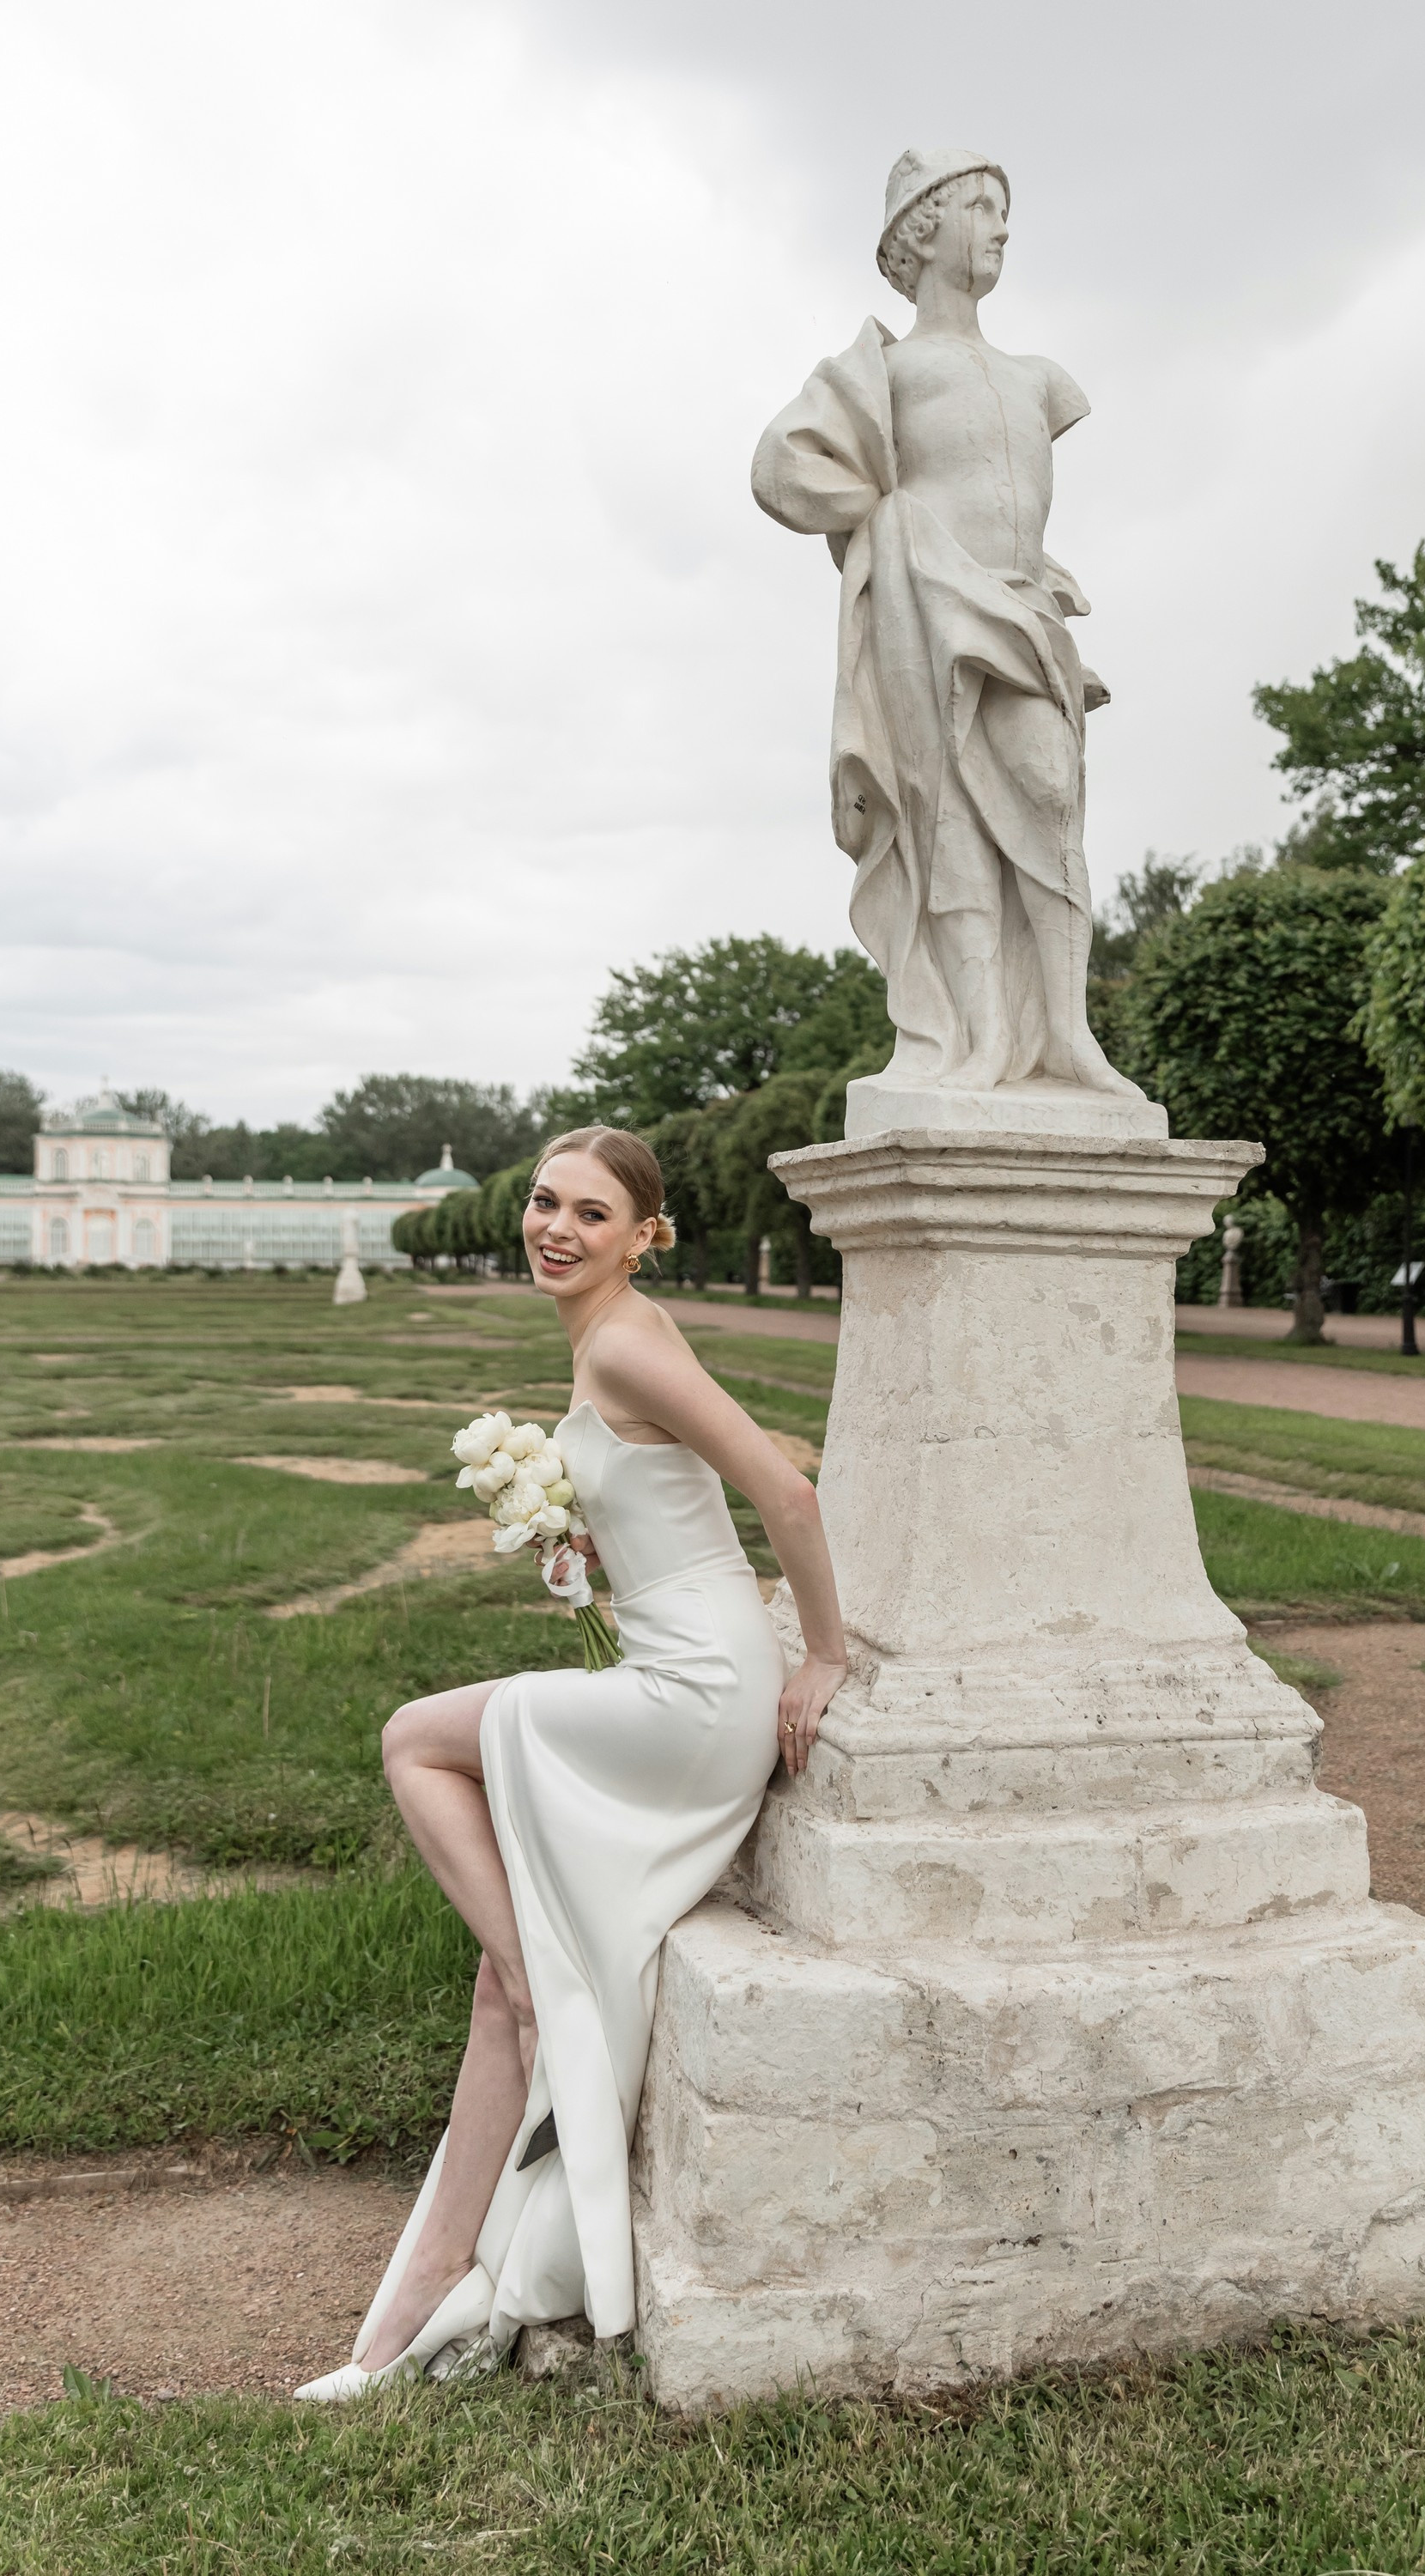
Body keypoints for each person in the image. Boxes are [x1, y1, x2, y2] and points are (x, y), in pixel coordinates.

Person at [295, 1126, 846, 2397]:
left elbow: (787, 1492)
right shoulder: (617, 1337)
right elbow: (670, 1507)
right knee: (500, 1984)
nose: (556, 1227)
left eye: (592, 1214)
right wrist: (592, 1550)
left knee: (415, 1742)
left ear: (644, 1234)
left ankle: (539, 1987)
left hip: (697, 1693)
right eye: (546, 1202)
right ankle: (404, 2317)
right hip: (665, 1668)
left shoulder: (619, 1340)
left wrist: (819, 1656)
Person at [752, 148, 1145, 1103]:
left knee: (1050, 797)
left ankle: (1066, 1033)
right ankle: (980, 1038)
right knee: (945, 824)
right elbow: (780, 471)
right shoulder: (879, 372)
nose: (1001, 228)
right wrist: (888, 530)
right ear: (921, 230)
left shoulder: (1038, 380)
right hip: (926, 611)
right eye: (981, 207)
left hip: (1022, 610)